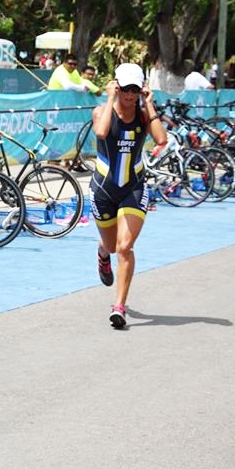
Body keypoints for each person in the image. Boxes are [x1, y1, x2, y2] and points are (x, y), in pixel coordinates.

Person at [90, 63, 167, 329]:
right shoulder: (101, 111)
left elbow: (160, 140)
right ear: (117, 86)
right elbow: (101, 132)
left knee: (124, 247)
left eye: (135, 89)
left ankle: (119, 306)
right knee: (111, 247)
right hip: (102, 189)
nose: (130, 94)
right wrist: (110, 98)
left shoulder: (144, 116)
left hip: (133, 187)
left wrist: (150, 105)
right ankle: (102, 253)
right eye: (126, 88)